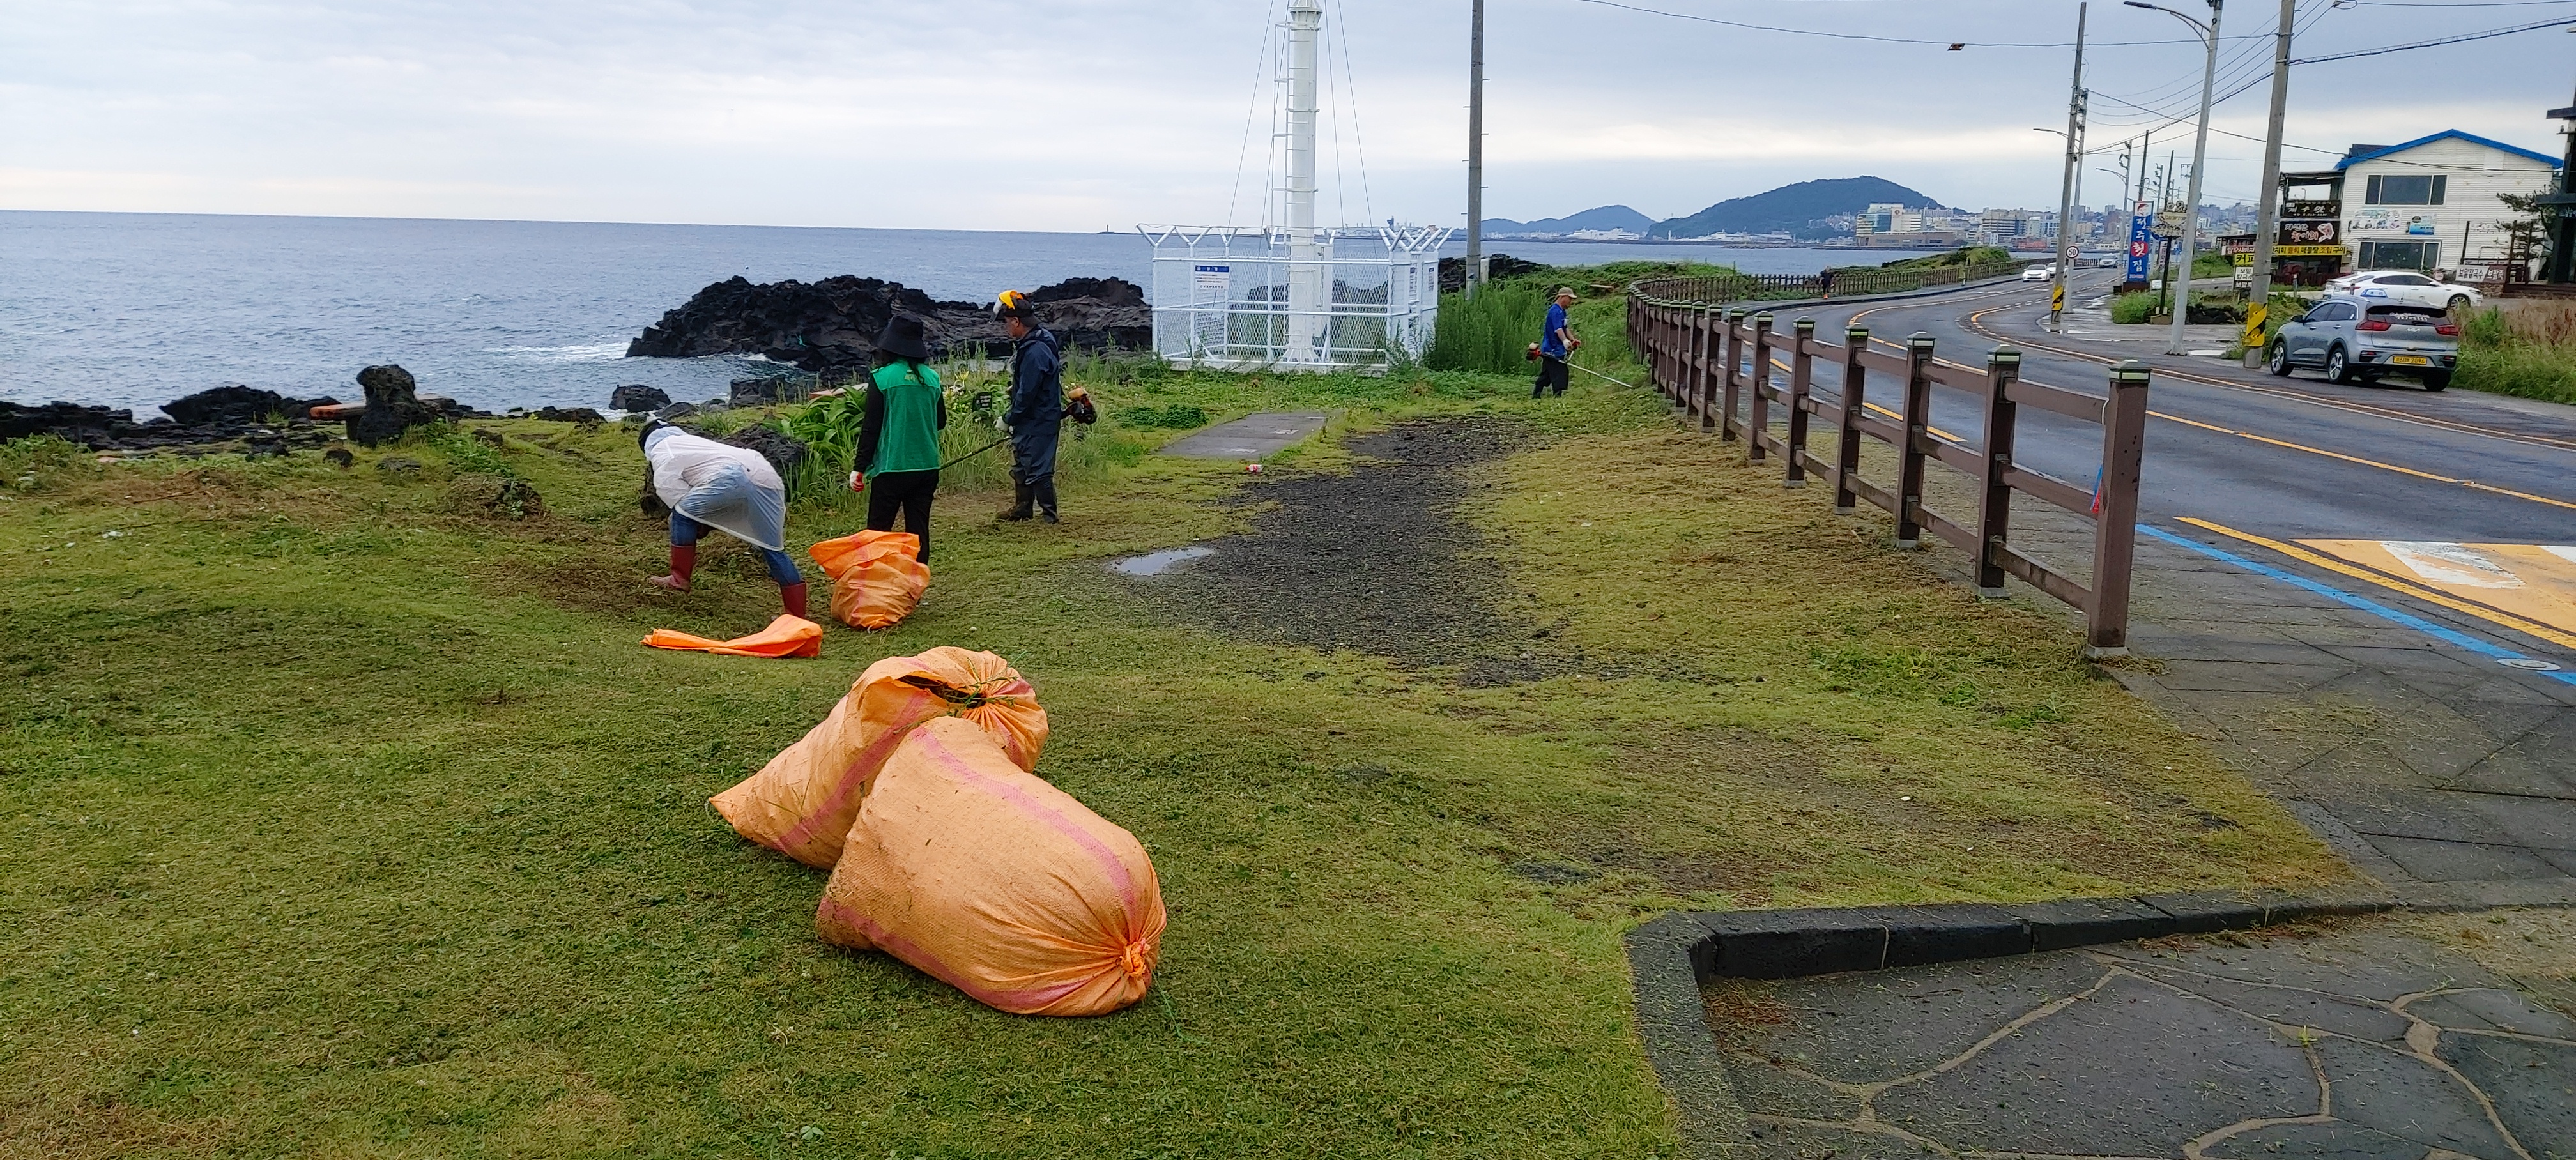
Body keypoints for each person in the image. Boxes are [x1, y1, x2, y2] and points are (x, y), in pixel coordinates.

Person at [640, 418, 806, 618]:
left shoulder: (663, 449)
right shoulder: (698, 444)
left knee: (681, 515)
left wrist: (696, 525)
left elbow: (674, 495)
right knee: (772, 548)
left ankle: (679, 579)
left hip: (731, 479)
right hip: (766, 478)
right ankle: (795, 615)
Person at [853, 314, 946, 563]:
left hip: (892, 468)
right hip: (927, 466)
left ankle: (878, 586)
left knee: (878, 531)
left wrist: (859, 468)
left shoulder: (882, 377)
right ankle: (914, 588)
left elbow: (871, 427)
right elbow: (941, 422)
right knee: (918, 532)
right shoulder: (933, 378)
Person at [994, 289, 1065, 523]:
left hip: (1039, 417)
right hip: (1038, 414)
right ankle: (1023, 508)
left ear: (1016, 321)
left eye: (1007, 323)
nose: (1006, 328)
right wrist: (1015, 392)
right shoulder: (1040, 338)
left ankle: (1049, 516)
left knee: (1038, 467)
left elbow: (1028, 394)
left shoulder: (1034, 350)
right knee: (1023, 463)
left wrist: (1009, 418)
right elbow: (1033, 384)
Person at [1533, 286, 1579, 399]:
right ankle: (1557, 396)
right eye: (1570, 299)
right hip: (1552, 349)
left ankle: (1537, 393)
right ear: (1562, 297)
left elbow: (1565, 327)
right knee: (1560, 371)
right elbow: (1558, 329)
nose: (1571, 302)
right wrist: (1564, 341)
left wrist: (1572, 340)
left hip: (1557, 348)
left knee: (1547, 373)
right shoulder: (1555, 311)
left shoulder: (1562, 311)